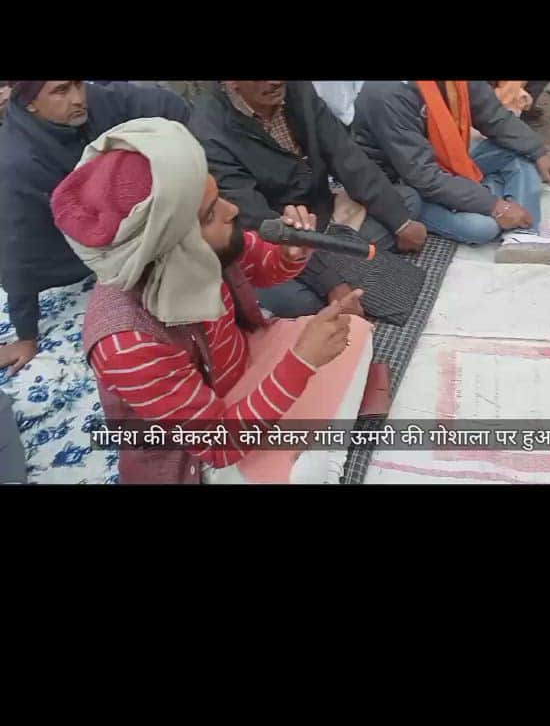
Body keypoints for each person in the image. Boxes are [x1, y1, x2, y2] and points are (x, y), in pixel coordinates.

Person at [50, 119, 374, 485]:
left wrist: (290, 254)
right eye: (208, 214)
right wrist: (302, 361)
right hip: (201, 448)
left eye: (217, 195)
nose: (231, 210)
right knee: (303, 475)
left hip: (247, 362)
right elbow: (218, 444)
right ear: (169, 247)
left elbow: (260, 266)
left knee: (354, 331)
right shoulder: (126, 344)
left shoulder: (193, 247)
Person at [189, 80, 427, 319]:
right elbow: (257, 220)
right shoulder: (210, 132)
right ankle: (343, 259)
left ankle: (343, 256)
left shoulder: (297, 88)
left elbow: (346, 155)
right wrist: (331, 282)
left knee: (406, 203)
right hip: (276, 240)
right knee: (302, 301)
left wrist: (400, 222)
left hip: (323, 212)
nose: (276, 82)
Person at [0, 79, 191, 375]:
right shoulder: (16, 164)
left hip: (123, 210)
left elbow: (170, 106)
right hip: (65, 244)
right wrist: (26, 335)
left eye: (78, 84)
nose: (78, 98)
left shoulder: (90, 101)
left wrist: (187, 158)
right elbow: (17, 249)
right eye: (61, 91)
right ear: (30, 103)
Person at [353, 80, 550, 266]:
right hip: (403, 184)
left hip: (445, 161)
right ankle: (497, 200)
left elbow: (493, 116)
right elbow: (424, 178)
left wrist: (538, 152)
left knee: (520, 154)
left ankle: (521, 237)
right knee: (483, 228)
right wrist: (495, 205)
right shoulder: (387, 93)